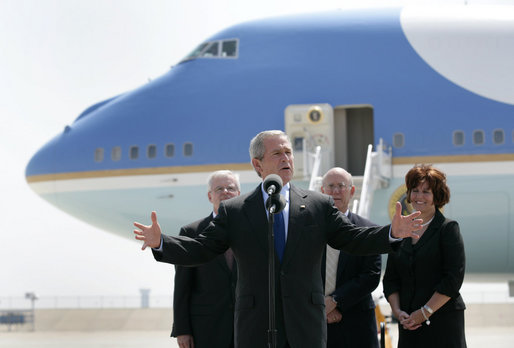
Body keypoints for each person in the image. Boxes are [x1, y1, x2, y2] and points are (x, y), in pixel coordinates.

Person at [134, 130, 423, 348]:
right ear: (258, 165)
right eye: (277, 154)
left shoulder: (318, 205)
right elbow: (202, 248)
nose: (286, 158)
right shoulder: (236, 211)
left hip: (306, 324)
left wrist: (391, 233)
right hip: (255, 325)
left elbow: (353, 238)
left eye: (288, 153)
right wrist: (163, 243)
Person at [382, 164, 467, 347]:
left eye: (426, 192)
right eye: (415, 190)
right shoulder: (399, 231)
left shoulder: (448, 229)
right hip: (409, 325)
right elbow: (390, 280)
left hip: (443, 324)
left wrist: (425, 312)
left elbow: (453, 279)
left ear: (437, 196)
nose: (419, 196)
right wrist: (397, 312)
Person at [172, 170, 240, 348]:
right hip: (206, 329)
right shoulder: (191, 233)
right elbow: (182, 286)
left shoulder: (254, 231)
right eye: (219, 189)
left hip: (247, 327)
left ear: (239, 194)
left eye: (230, 188)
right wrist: (182, 329)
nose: (225, 192)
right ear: (210, 196)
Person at [320, 167, 380, 348]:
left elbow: (371, 275)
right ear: (322, 191)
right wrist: (323, 308)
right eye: (330, 186)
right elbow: (300, 271)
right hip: (317, 324)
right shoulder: (307, 230)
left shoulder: (368, 230)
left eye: (341, 186)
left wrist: (335, 301)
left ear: (352, 191)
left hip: (357, 326)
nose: (336, 191)